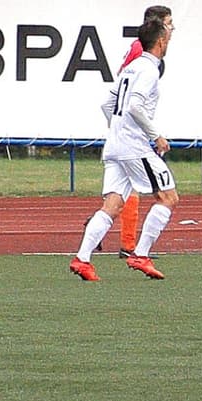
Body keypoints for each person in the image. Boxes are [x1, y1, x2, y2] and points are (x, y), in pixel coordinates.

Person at [70, 15, 177, 281]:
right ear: (161, 42)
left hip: (115, 145)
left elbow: (107, 105)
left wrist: (117, 130)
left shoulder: (131, 68)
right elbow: (135, 106)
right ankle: (141, 254)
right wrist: (155, 136)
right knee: (168, 197)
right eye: (168, 35)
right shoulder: (149, 70)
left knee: (113, 204)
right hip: (134, 146)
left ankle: (82, 259)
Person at [106, 5, 172, 259]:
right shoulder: (143, 57)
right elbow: (130, 99)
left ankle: (116, 241)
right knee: (161, 194)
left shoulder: (143, 54)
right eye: (168, 23)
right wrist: (147, 133)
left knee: (123, 193)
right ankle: (130, 246)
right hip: (130, 135)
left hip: (126, 132)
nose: (171, 29)